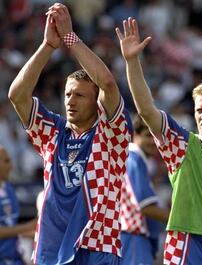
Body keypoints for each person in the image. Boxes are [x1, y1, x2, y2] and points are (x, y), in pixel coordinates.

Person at [116, 18, 202, 265]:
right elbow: (146, 110)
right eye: (199, 110)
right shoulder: (184, 146)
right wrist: (132, 62)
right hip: (189, 248)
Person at [8, 3, 131, 265]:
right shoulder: (52, 132)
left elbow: (107, 83)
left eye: (79, 95)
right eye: (67, 94)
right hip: (51, 248)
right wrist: (48, 47)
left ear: (96, 102)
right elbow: (17, 96)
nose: (70, 101)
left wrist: (69, 38)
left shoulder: (112, 133)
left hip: (98, 245)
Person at [120, 116, 170, 264]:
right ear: (135, 135)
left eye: (156, 137)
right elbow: (146, 206)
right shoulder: (134, 160)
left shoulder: (132, 159)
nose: (153, 141)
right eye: (148, 135)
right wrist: (184, 222)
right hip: (133, 238)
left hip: (130, 239)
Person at [0, 145, 37, 265]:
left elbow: (11, 227)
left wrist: (37, 233)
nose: (11, 166)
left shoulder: (9, 188)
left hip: (15, 259)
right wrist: (28, 226)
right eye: (6, 161)